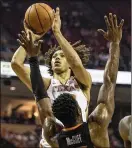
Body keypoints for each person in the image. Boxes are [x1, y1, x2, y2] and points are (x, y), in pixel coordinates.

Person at [11, 7, 92, 147]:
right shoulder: (46, 84)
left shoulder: (83, 82)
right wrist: (32, 36)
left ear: (69, 63)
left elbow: (77, 64)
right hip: (51, 144)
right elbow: (16, 64)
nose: (57, 58)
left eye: (62, 56)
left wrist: (57, 33)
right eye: (54, 57)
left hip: (77, 142)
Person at [43, 13, 124, 147]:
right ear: (79, 111)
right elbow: (109, 80)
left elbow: (48, 121)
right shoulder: (95, 129)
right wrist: (115, 43)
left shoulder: (53, 139)